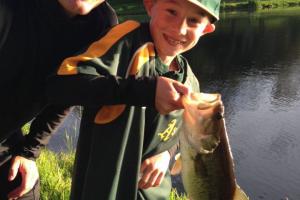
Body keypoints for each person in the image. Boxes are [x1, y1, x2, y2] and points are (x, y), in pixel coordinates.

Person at [47, 0, 221, 199]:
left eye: (193, 20)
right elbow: (59, 86)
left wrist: (166, 154)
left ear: (206, 29)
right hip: (105, 189)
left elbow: (182, 135)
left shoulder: (190, 82)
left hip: (154, 193)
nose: (179, 28)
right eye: (171, 11)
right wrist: (146, 91)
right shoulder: (126, 41)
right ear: (150, 5)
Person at [0, 0, 118, 199]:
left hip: (7, 136)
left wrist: (29, 151)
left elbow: (68, 91)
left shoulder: (102, 23)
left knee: (22, 190)